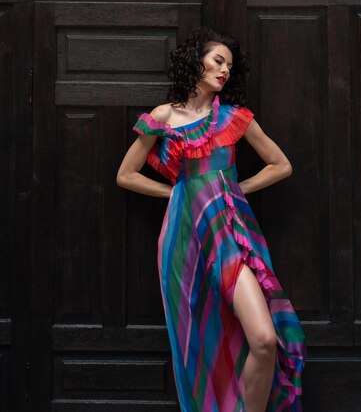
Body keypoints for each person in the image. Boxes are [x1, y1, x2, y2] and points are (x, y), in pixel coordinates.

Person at [117, 27, 307, 412]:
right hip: (183, 236)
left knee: (264, 340)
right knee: (199, 338)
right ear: (195, 60)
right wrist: (176, 192)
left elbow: (280, 165)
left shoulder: (234, 117)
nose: (224, 71)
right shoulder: (163, 116)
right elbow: (126, 175)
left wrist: (233, 189)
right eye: (218, 61)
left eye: (229, 66)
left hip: (229, 231)